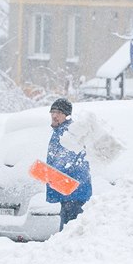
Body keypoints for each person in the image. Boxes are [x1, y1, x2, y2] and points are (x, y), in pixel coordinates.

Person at [46, 98, 92, 231]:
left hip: (74, 191)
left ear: (67, 115)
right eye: (52, 112)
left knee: (70, 233)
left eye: (59, 112)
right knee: (69, 234)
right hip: (69, 192)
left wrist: (49, 174)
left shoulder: (69, 132)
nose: (54, 115)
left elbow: (66, 160)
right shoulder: (60, 131)